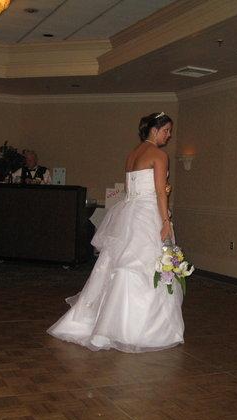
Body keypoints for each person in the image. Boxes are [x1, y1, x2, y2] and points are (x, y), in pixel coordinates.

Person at [48, 112, 184, 353]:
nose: (169, 135)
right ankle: (133, 329)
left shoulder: (133, 154)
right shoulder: (159, 155)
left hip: (130, 213)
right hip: (147, 214)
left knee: (118, 265)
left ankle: (104, 324)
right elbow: (159, 192)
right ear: (154, 130)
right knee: (142, 267)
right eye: (166, 130)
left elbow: (136, 188)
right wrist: (165, 221)